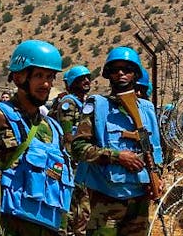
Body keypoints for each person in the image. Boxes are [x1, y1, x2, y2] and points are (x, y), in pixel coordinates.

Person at [0, 40, 74, 235]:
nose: (46, 84)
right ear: (19, 77)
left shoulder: (52, 128)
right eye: (38, 76)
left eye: (50, 77)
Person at [72, 47, 164, 236]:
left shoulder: (147, 109)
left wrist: (156, 177)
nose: (121, 73)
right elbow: (78, 147)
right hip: (106, 198)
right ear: (108, 74)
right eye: (115, 70)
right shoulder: (96, 106)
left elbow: (154, 149)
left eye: (127, 69)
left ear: (135, 74)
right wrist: (116, 156)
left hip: (139, 199)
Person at [55, 65, 92, 236]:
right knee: (74, 198)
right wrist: (74, 157)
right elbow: (68, 134)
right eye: (81, 79)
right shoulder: (68, 103)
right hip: (73, 159)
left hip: (83, 157)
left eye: (88, 78)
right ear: (72, 82)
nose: (86, 81)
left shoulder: (84, 102)